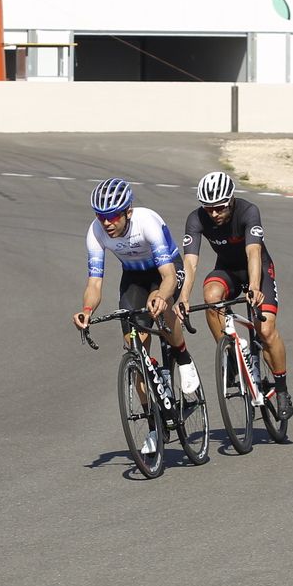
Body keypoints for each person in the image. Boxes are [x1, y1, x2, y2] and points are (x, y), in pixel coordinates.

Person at [74, 179, 201, 457]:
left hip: (166, 269)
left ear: (127, 212)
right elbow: (95, 284)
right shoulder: (95, 232)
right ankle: (155, 425)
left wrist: (161, 296)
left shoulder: (147, 222)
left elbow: (168, 276)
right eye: (100, 216)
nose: (106, 223)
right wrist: (86, 311)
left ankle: (182, 356)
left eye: (112, 216)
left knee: (162, 305)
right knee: (135, 348)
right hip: (134, 277)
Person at [176, 170, 293, 420]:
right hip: (227, 270)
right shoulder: (196, 219)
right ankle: (230, 353)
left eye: (219, 208)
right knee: (210, 296)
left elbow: (253, 252)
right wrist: (183, 297)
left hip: (257, 269)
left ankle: (282, 388)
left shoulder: (248, 211)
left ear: (230, 200)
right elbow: (190, 263)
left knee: (266, 330)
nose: (214, 214)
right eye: (209, 209)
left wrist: (254, 286)